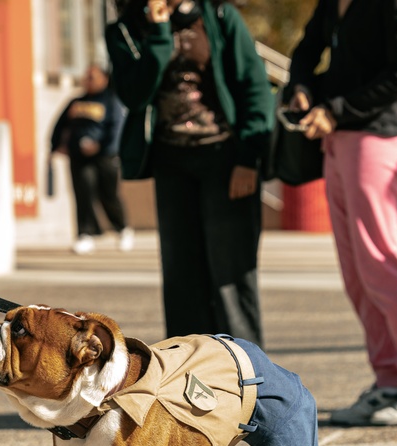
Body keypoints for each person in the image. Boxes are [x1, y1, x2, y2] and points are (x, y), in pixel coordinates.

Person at [287, 0, 397, 426]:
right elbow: (306, 50)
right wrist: (303, 87)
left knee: (379, 265)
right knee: (356, 275)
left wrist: (336, 109)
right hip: (338, 141)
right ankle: (388, 384)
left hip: (379, 138)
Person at [106, 0, 272, 347]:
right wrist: (160, 33)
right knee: (182, 278)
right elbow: (135, 96)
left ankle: (248, 378)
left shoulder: (220, 17)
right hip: (171, 163)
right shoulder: (126, 30)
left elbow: (254, 87)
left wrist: (248, 159)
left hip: (224, 157)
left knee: (231, 276)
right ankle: (189, 377)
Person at [50, 64, 133, 255]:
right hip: (79, 156)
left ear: (104, 79)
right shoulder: (76, 101)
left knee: (108, 194)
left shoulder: (111, 100)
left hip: (104, 156)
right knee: (83, 193)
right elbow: (59, 125)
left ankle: (122, 229)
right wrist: (56, 146)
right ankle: (85, 234)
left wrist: (102, 147)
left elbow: (117, 129)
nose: (88, 80)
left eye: (92, 76)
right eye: (86, 76)